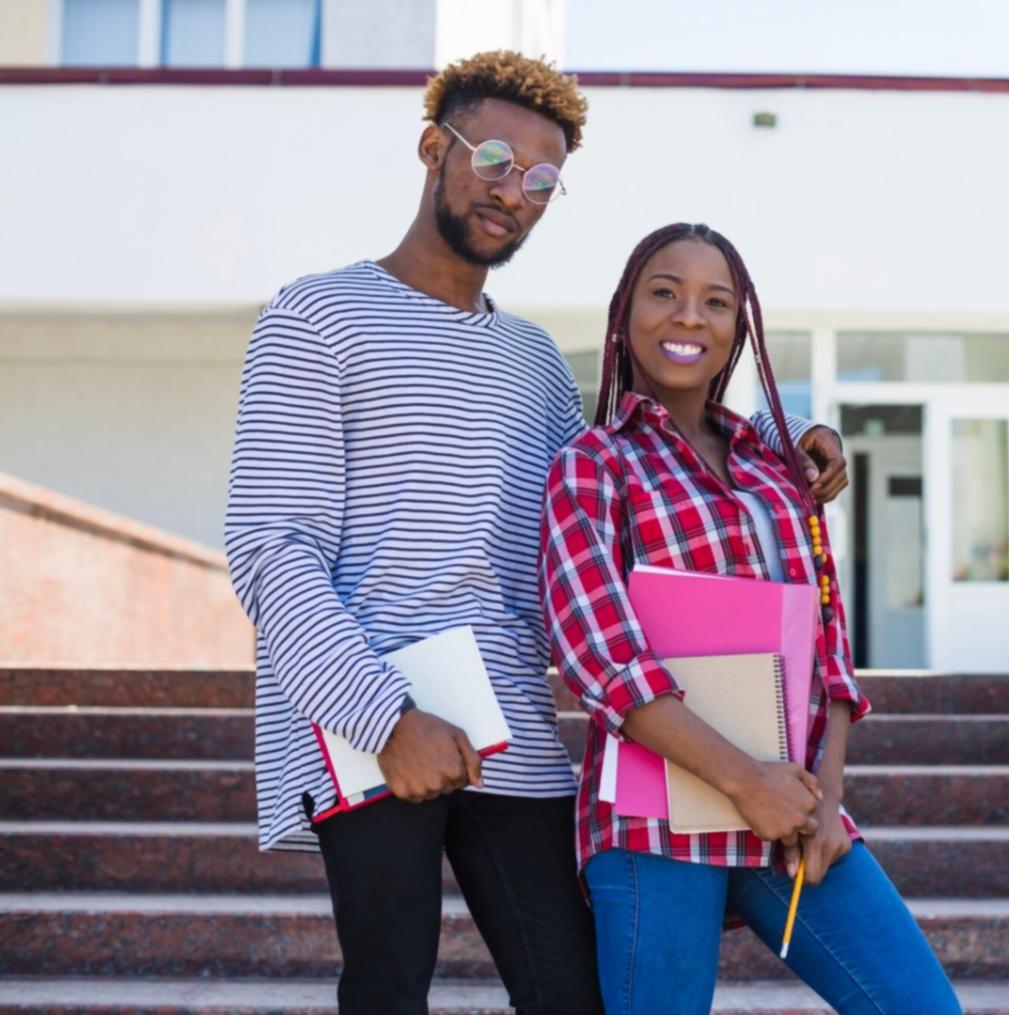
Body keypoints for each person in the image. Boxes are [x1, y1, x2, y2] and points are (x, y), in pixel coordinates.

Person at [224, 54, 848, 1015]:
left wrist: (784, 440)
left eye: (544, 179)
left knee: (570, 994)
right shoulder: (318, 316)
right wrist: (385, 716)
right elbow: (271, 547)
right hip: (366, 718)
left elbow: (646, 446)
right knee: (388, 988)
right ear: (436, 149)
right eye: (497, 159)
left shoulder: (533, 365)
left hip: (509, 716)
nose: (516, 191)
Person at [541, 223, 962, 1014]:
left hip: (791, 805)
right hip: (654, 820)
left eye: (716, 301)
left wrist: (823, 798)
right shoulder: (593, 463)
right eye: (664, 293)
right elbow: (599, 656)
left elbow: (827, 645)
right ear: (624, 312)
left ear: (741, 325)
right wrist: (748, 781)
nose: (689, 317)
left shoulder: (776, 469)